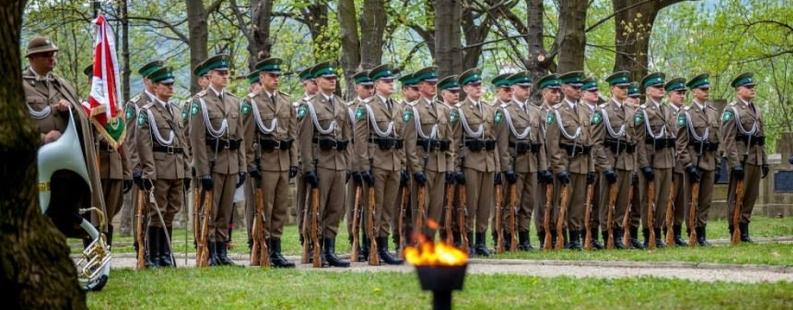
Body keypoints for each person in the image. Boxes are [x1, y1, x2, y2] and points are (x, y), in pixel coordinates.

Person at [23, 35, 106, 241]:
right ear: (32, 58)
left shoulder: (61, 84)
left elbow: (81, 117)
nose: (52, 59)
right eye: (46, 55)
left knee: (65, 213)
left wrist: (70, 109)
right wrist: (41, 138)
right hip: (35, 164)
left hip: (65, 164)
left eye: (53, 55)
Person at [188, 54, 246, 266]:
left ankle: (222, 252)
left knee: (225, 210)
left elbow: (239, 137)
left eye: (226, 73)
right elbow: (197, 140)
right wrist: (203, 172)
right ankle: (210, 250)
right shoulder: (200, 103)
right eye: (220, 74)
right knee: (210, 210)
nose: (225, 76)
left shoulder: (233, 101)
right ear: (210, 76)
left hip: (230, 163)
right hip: (212, 163)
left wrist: (242, 167)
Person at [242, 58, 298, 267]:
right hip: (264, 162)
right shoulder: (251, 103)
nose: (276, 79)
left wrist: (293, 161)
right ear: (262, 77)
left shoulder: (286, 101)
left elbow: (293, 134)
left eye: (277, 76)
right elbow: (247, 137)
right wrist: (250, 164)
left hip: (283, 161)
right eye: (271, 76)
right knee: (264, 207)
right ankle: (261, 247)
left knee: (280, 209)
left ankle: (276, 250)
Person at [297, 62, 352, 267]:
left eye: (334, 78)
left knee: (336, 208)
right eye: (327, 78)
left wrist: (347, 164)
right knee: (316, 208)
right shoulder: (309, 106)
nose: (332, 81)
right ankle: (313, 248)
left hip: (338, 163)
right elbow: (304, 141)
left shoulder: (341, 104)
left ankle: (330, 249)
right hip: (321, 163)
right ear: (318, 81)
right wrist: (308, 168)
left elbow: (348, 137)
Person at [136, 66, 190, 267]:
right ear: (156, 87)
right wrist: (149, 171)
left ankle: (166, 254)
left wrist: (185, 170)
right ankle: (154, 255)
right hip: (159, 168)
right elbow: (144, 144)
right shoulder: (147, 112)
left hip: (176, 167)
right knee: (157, 212)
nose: (170, 88)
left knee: (171, 211)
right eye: (166, 85)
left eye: (171, 84)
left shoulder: (175, 110)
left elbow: (182, 142)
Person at [353, 64, 406, 265]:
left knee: (388, 208)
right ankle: (372, 244)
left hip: (393, 163)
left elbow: (400, 137)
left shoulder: (398, 107)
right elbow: (360, 140)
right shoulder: (366, 107)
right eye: (386, 81)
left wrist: (401, 162)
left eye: (392, 81)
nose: (390, 84)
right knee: (374, 206)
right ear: (376, 84)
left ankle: (383, 247)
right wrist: (364, 166)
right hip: (377, 163)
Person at [495, 71, 547, 251]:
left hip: (532, 163)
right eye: (523, 87)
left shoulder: (535, 110)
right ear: (514, 88)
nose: (526, 90)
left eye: (528, 87)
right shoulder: (505, 112)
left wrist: (543, 166)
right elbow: (501, 144)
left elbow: (540, 141)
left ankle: (524, 238)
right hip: (515, 163)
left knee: (528, 203)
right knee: (512, 203)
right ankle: (509, 237)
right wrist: (506, 168)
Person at [451, 68, 499, 256]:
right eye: (473, 85)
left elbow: (493, 138)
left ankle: (481, 241)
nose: (478, 88)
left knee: (484, 205)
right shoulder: (459, 111)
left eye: (479, 84)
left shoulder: (488, 108)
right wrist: (456, 168)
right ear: (465, 88)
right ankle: (467, 240)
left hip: (487, 162)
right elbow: (455, 141)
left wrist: (496, 165)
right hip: (470, 162)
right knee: (469, 204)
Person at [545, 71, 594, 250]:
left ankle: (575, 238)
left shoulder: (584, 111)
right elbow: (552, 144)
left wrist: (591, 168)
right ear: (565, 89)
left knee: (578, 204)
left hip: (581, 163)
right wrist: (559, 168)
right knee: (562, 203)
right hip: (566, 163)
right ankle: (560, 236)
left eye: (580, 87)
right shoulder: (556, 112)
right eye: (574, 87)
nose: (579, 90)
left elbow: (590, 142)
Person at [720, 72, 767, 243]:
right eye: (748, 87)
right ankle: (734, 228)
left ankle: (745, 228)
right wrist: (735, 163)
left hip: (755, 158)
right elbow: (728, 139)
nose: (752, 89)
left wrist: (765, 160)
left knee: (751, 195)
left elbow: (761, 138)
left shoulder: (757, 109)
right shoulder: (731, 110)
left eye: (753, 87)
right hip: (741, 159)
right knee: (736, 196)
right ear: (739, 90)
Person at [676, 73, 719, 246]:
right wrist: (688, 165)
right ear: (694, 92)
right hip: (693, 161)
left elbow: (717, 140)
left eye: (707, 88)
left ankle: (702, 232)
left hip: (709, 160)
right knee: (691, 200)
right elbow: (680, 143)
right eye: (703, 89)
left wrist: (718, 163)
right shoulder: (685, 114)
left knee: (706, 200)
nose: (706, 91)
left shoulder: (713, 112)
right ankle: (691, 230)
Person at [595, 71, 636, 250]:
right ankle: (606, 234)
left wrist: (633, 166)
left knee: (622, 202)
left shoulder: (631, 110)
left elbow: (634, 141)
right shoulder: (602, 111)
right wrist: (606, 167)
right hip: (610, 161)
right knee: (606, 202)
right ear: (612, 89)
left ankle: (618, 234)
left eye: (626, 87)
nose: (625, 90)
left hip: (626, 161)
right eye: (621, 87)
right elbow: (596, 143)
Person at [635, 72, 675, 248]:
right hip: (652, 161)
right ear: (648, 91)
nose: (661, 90)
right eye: (658, 88)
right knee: (648, 199)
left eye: (662, 87)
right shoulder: (642, 112)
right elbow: (639, 141)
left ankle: (657, 232)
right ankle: (647, 232)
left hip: (667, 160)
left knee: (663, 199)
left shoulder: (666, 109)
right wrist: (644, 165)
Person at [345, 70, 374, 261]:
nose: (370, 91)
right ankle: (354, 238)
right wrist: (353, 166)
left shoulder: (375, 106)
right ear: (357, 88)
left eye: (372, 87)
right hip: (355, 164)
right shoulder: (349, 108)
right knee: (354, 206)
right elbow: (349, 139)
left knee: (370, 205)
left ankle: (368, 239)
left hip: (373, 162)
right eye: (366, 87)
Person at [533, 74, 561, 248]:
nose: (557, 95)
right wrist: (543, 166)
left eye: (558, 91)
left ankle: (557, 231)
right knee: (542, 202)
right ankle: (543, 234)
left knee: (557, 201)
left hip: (559, 162)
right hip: (543, 163)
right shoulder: (538, 113)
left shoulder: (561, 113)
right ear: (544, 93)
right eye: (553, 91)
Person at [664, 77, 688, 247]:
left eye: (683, 93)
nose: (682, 96)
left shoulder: (686, 113)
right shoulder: (666, 112)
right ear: (670, 95)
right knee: (667, 198)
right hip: (669, 161)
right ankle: (666, 230)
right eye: (678, 93)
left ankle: (677, 232)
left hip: (683, 163)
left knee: (681, 200)